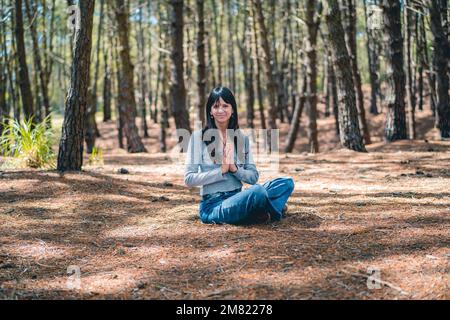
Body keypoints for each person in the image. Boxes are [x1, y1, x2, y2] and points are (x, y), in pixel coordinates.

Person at [184, 86, 295, 225]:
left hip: (239, 197)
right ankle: (268, 212)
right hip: (213, 206)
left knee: (285, 183)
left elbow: (253, 177)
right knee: (258, 192)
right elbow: (189, 179)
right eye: (216, 106)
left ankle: (258, 212)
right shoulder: (197, 138)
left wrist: (235, 169)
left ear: (232, 110)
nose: (220, 110)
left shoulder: (241, 138)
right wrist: (221, 171)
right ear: (210, 111)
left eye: (225, 105)